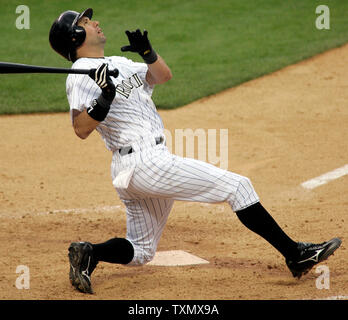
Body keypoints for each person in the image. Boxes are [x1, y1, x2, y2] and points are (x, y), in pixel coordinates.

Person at [49, 8, 341, 294]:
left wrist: (147, 52)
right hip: (145, 163)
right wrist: (105, 97)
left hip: (134, 169)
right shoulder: (79, 73)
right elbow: (81, 128)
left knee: (141, 251)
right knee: (238, 187)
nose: (96, 22)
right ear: (75, 37)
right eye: (86, 22)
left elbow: (161, 76)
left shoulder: (116, 63)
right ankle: (295, 254)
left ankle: (90, 253)